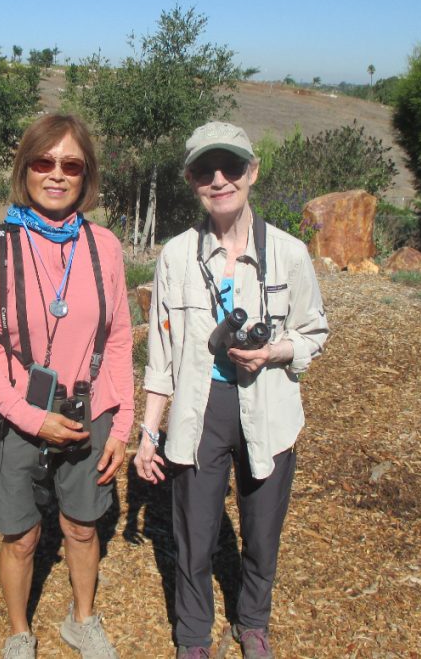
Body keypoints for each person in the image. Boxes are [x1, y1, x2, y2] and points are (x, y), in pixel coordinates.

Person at [134, 122, 329, 659]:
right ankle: (194, 637)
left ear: (253, 171)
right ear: (191, 179)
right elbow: (163, 357)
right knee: (195, 533)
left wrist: (274, 351)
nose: (219, 180)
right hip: (201, 412)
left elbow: (314, 331)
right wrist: (149, 432)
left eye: (232, 167)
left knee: (262, 533)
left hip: (269, 406)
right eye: (204, 170)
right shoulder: (175, 256)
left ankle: (253, 621)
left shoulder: (288, 254)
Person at [0, 114, 134, 658]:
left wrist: (121, 426)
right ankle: (19, 632)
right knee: (22, 536)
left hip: (88, 410)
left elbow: (121, 338)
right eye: (44, 161)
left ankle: (82, 620)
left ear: (86, 176)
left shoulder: (104, 245)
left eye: (71, 165)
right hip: (17, 411)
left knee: (82, 528)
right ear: (25, 168)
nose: (56, 174)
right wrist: (31, 417)